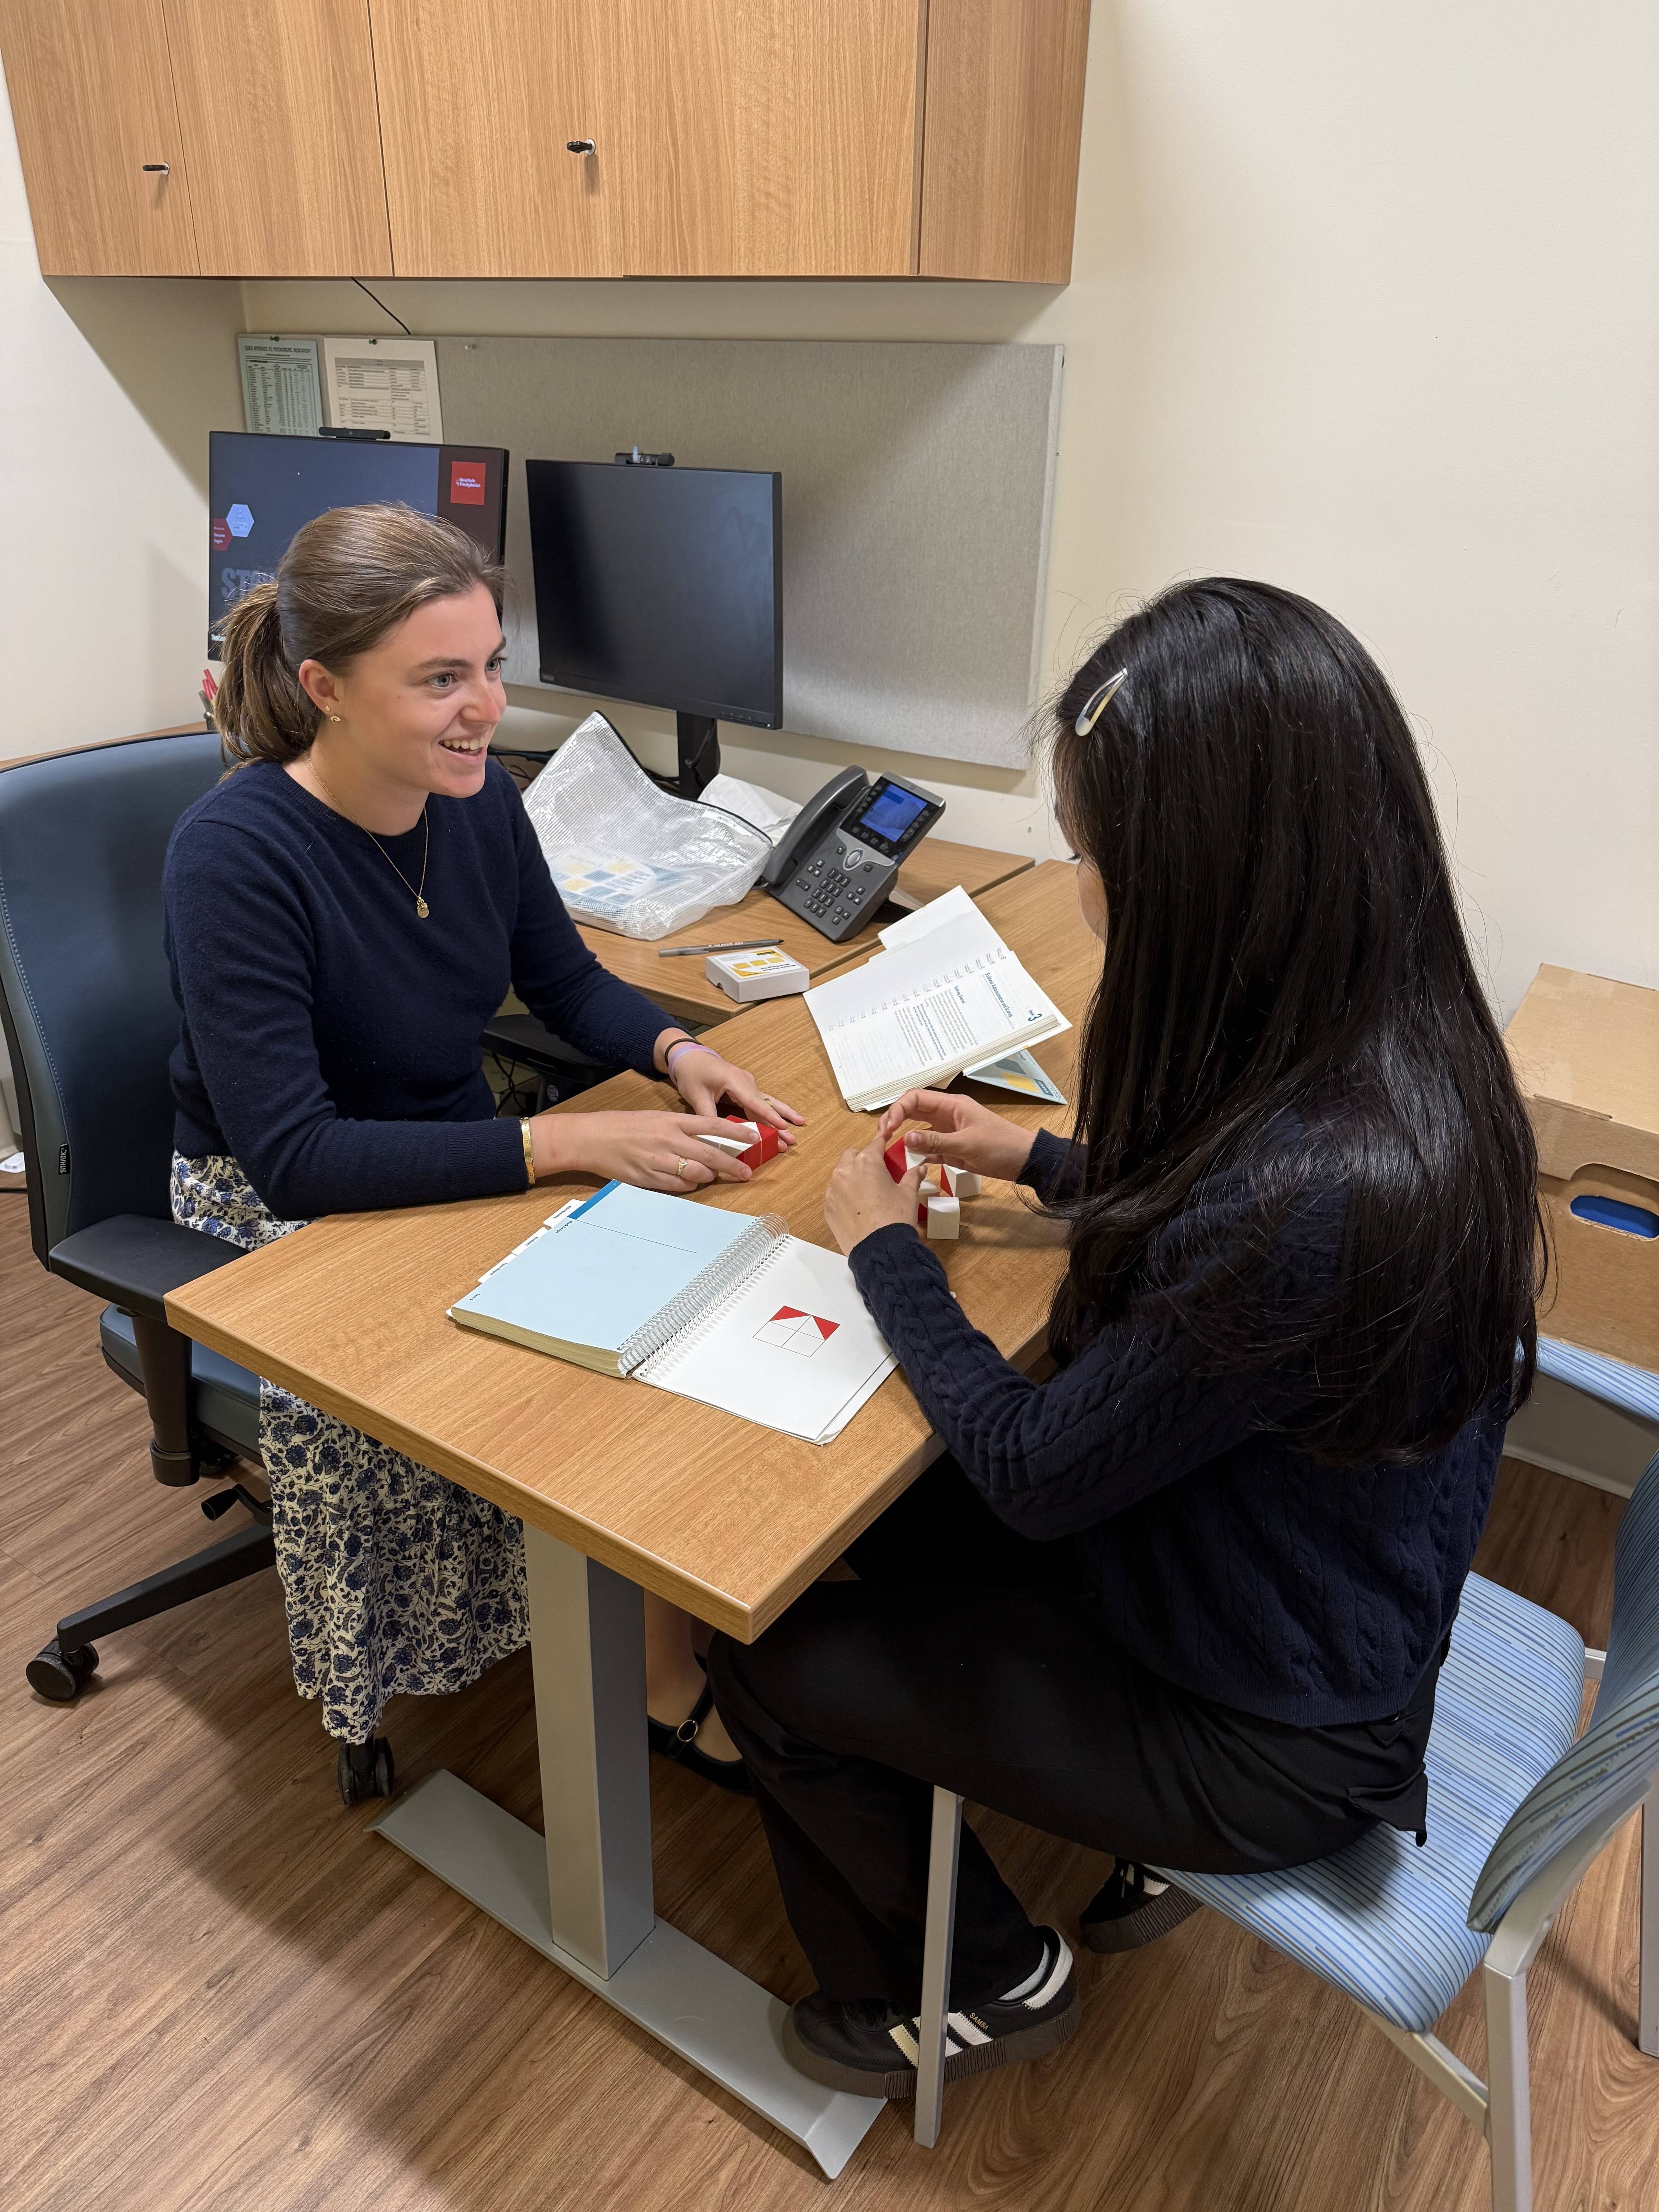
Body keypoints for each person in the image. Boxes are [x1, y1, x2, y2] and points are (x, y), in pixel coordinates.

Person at [708, 577, 1542, 2099]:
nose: (1083, 885)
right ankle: (1072, 1854)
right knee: (889, 1529)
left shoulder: (1314, 1194)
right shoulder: (1398, 1058)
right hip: (1316, 1592)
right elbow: (1243, 1247)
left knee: (768, 1648)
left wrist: (887, 1249)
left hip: (1281, 1734)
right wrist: (1046, 1169)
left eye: (1093, 855)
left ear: (1204, 879)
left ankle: (962, 1989)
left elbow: (1034, 1470)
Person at [167, 501, 797, 1784]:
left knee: (662, 1294)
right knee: (531, 1382)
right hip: (273, 1200)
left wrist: (678, 1057)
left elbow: (563, 985)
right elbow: (295, 1156)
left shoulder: (478, 804)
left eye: (493, 667)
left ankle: (648, 1621)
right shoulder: (234, 854)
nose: (484, 708)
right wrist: (565, 1144)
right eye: (440, 679)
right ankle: (648, 1679)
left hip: (440, 1140)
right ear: (324, 687)